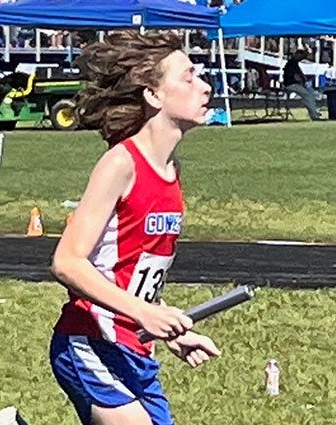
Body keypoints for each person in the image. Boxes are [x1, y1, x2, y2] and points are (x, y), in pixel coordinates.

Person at [47, 31, 220, 425]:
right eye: (188, 77)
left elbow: (129, 272)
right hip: (90, 340)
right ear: (153, 95)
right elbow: (67, 264)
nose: (205, 87)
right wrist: (144, 313)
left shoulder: (171, 173)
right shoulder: (121, 164)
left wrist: (169, 330)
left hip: (134, 347)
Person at [283, 49, 320, 121]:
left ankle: (314, 112)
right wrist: (302, 82)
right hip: (291, 84)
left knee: (310, 92)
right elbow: (295, 77)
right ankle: (314, 115)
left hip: (295, 84)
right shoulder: (292, 63)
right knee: (307, 95)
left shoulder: (294, 63)